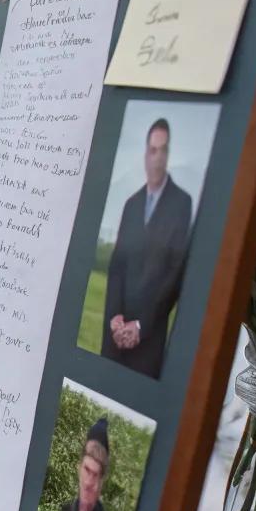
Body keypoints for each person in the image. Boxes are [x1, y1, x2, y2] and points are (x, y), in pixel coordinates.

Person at [101, 117, 192, 378]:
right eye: (153, 150)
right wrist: (116, 318)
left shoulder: (182, 204)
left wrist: (141, 325)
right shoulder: (131, 205)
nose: (157, 158)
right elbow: (117, 266)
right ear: (145, 155)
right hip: (115, 335)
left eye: (163, 150)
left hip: (148, 337)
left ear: (168, 155)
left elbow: (174, 273)